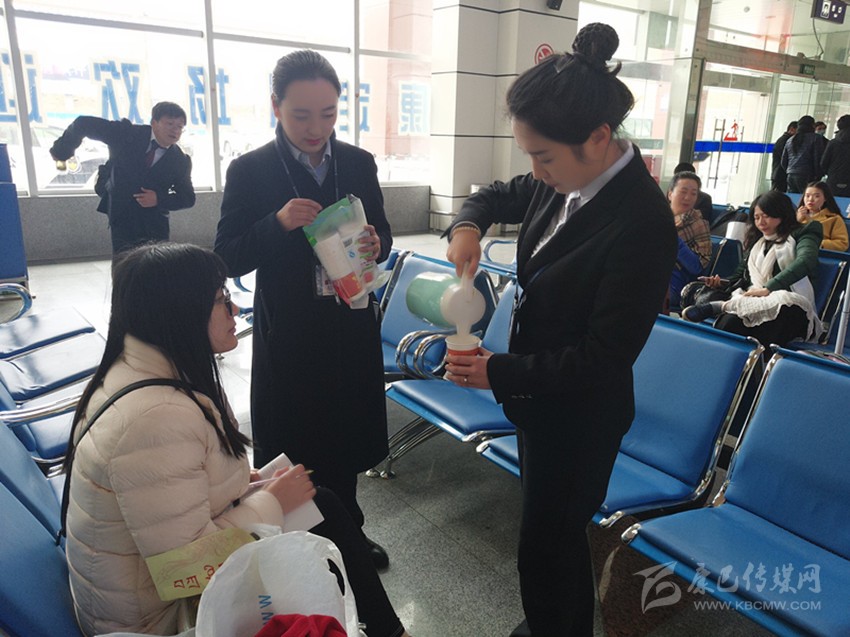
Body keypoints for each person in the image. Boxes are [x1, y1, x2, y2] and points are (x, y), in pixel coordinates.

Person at [442, 23, 677, 637]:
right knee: (553, 541)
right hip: (541, 403)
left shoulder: (642, 222)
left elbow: (605, 355)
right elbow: (497, 195)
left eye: (543, 157)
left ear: (598, 137)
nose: (536, 171)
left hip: (581, 415)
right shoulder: (562, 182)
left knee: (546, 543)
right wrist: (465, 226)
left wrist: (498, 370)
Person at [63, 243, 408, 637]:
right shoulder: (155, 418)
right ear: (180, 312)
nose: (235, 310)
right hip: (156, 619)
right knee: (317, 508)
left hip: (140, 590)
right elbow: (184, 571)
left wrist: (246, 486)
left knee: (320, 502)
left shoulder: (141, 371)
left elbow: (168, 497)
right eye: (220, 300)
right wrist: (273, 502)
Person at [214, 50, 393, 568]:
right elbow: (228, 255)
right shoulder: (251, 170)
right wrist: (276, 223)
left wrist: (374, 242)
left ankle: (349, 532)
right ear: (275, 106)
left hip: (349, 321)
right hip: (290, 331)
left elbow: (381, 232)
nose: (317, 128)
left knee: (346, 435)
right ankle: (297, 540)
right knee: (294, 440)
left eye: (329, 114)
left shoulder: (357, 162)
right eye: (301, 115)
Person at [49, 102, 195, 256]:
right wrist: (61, 151)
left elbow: (187, 198)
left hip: (154, 221)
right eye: (170, 124)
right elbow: (83, 123)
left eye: (180, 127)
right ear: (154, 123)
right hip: (122, 212)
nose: (175, 130)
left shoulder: (180, 160)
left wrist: (158, 198)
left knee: (156, 264)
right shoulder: (127, 133)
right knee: (124, 262)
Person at [682, 190, 822, 348]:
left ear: (781, 214)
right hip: (756, 299)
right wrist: (721, 283)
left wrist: (769, 288)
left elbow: (806, 261)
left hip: (792, 306)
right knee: (729, 323)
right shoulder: (759, 242)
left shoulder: (804, 232)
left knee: (768, 309)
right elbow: (739, 277)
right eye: (756, 217)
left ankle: (720, 306)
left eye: (766, 216)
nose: (761, 222)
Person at [667, 171, 712, 307]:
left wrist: (672, 239)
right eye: (683, 191)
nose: (688, 197)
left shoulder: (699, 224)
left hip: (676, 283)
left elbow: (697, 267)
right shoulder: (657, 217)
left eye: (693, 193)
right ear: (670, 194)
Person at [796, 181, 849, 251]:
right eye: (807, 196)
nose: (810, 199)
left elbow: (842, 244)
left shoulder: (834, 218)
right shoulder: (795, 216)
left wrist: (818, 243)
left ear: (825, 198)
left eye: (816, 196)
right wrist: (796, 221)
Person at [781, 115, 827, 194]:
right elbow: (817, 158)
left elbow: (783, 161)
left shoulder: (790, 140)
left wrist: (790, 170)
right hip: (807, 174)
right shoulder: (816, 138)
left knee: (792, 198)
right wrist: (818, 175)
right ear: (812, 125)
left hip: (791, 174)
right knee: (807, 197)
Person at [820, 114, 850, 197]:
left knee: (831, 203)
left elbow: (823, 163)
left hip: (833, 180)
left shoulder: (833, 143)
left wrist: (831, 173)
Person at [771, 120, 797, 192]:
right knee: (777, 195)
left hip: (780, 174)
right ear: (791, 129)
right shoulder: (785, 141)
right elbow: (785, 157)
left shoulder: (786, 140)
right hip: (780, 174)